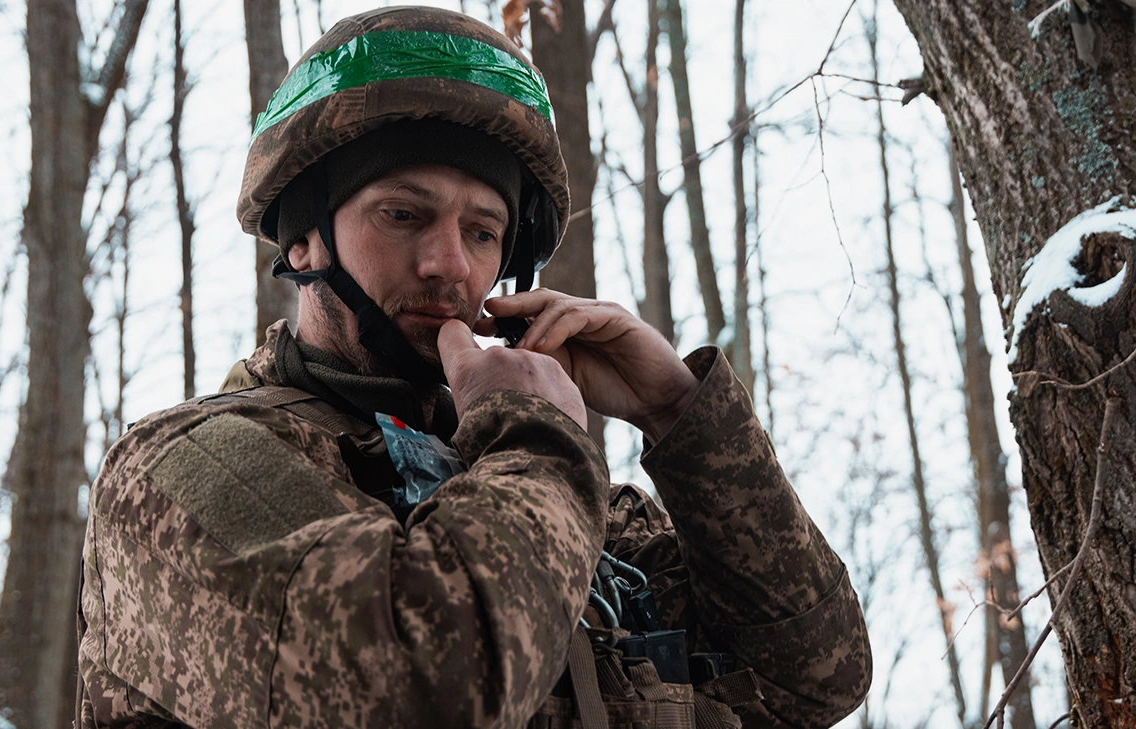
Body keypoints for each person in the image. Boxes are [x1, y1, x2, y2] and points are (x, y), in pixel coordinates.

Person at [76, 6, 872, 728]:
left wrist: (678, 413)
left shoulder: (571, 498)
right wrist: (535, 437)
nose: (449, 265)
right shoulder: (179, 474)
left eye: (484, 231)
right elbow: (425, 693)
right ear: (304, 237)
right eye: (403, 214)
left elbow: (810, 678)